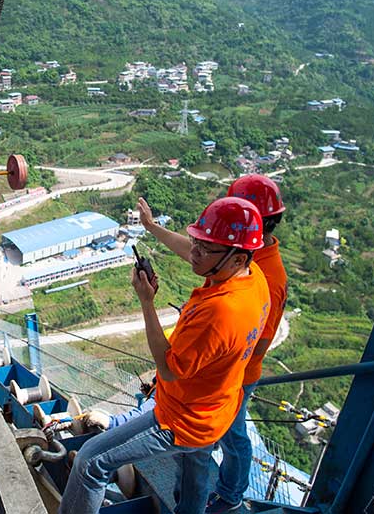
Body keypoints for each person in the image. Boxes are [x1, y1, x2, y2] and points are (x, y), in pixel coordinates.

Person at [59, 197, 270, 514]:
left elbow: (169, 369)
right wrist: (151, 226)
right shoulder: (253, 279)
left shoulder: (220, 311)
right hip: (217, 408)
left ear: (238, 259)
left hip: (183, 418)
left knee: (91, 461)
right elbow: (197, 254)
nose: (194, 252)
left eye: (203, 248)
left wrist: (147, 302)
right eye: (197, 241)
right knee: (192, 482)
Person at [138, 174, 288, 512]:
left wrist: (209, 363)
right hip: (216, 374)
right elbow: (195, 252)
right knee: (200, 452)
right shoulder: (242, 260)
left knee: (226, 442)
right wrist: (154, 229)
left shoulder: (267, 277)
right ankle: (196, 499)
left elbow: (256, 346)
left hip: (230, 379)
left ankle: (230, 496)